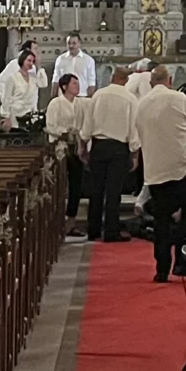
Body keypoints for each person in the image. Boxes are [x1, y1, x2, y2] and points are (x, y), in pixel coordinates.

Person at [134, 67, 186, 283]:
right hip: (182, 167)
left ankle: (162, 269)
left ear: (150, 83)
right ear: (170, 80)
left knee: (161, 220)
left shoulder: (142, 105)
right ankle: (183, 260)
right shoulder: (178, 98)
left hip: (156, 171)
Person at [81, 66, 139, 242]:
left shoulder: (98, 95)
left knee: (96, 190)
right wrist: (135, 153)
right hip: (118, 148)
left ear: (113, 77)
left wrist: (83, 146)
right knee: (113, 191)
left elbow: (88, 122)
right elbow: (133, 127)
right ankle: (111, 231)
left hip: (98, 146)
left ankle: (93, 230)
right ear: (126, 80)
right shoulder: (130, 98)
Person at [44, 71, 89, 220]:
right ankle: (55, 217)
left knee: (76, 184)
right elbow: (50, 126)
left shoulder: (80, 103)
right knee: (59, 183)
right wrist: (65, 132)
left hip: (76, 148)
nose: (78, 86)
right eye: (74, 83)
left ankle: (71, 218)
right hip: (59, 149)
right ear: (64, 86)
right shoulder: (56, 103)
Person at [0, 43, 43, 126]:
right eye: (35, 49)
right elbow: (0, 82)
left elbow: (40, 84)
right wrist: (7, 102)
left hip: (30, 109)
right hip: (16, 110)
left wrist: (39, 67)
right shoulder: (14, 64)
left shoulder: (33, 67)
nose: (37, 52)